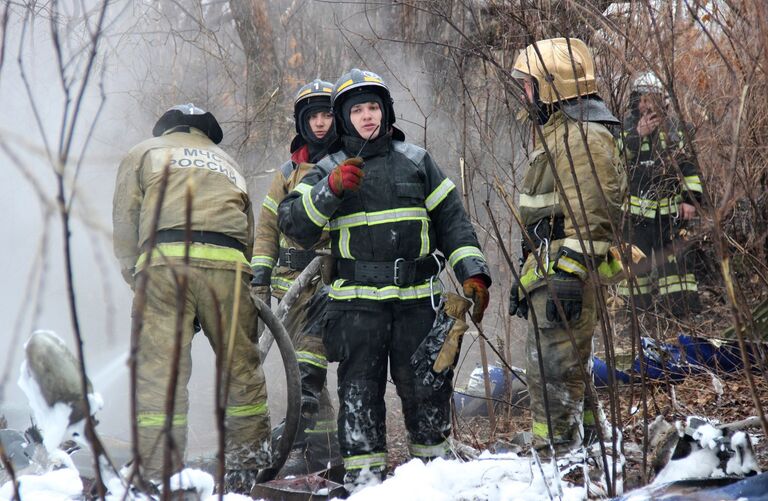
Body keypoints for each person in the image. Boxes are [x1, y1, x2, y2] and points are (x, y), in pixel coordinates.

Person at [277, 69, 491, 492]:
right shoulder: (327, 168)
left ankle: (435, 481)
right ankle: (365, 485)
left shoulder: (416, 160)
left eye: (374, 106)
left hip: (419, 303)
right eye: (357, 109)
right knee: (359, 397)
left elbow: (453, 222)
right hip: (357, 308)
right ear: (343, 118)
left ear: (386, 111)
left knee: (426, 394)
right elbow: (292, 224)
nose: (368, 116)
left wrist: (474, 274)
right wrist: (330, 191)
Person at [112, 104, 270, 491]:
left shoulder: (144, 152)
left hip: (165, 264)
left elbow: (125, 218)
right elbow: (246, 232)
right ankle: (246, 470)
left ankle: (158, 471)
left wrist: (137, 276)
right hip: (229, 267)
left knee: (160, 373)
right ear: (206, 133)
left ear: (167, 128)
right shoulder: (229, 162)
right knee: (240, 369)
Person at [508, 37, 625, 476]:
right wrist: (529, 276)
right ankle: (583, 447)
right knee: (555, 367)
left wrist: (568, 274)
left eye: (530, 85)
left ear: (552, 86)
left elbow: (593, 209)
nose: (525, 94)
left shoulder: (582, 136)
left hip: (564, 269)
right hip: (549, 266)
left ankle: (559, 461)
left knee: (554, 370)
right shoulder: (562, 130)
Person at [250, 79, 341, 473]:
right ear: (302, 123)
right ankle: (322, 454)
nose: (320, 123)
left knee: (308, 368)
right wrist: (260, 281)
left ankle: (299, 448)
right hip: (291, 285)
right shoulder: (286, 172)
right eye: (313, 117)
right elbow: (267, 228)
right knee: (309, 380)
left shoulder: (345, 164)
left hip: (329, 283)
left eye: (326, 115)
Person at [616, 71, 703, 318]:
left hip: (669, 215)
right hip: (636, 218)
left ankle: (681, 316)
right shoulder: (625, 128)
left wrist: (690, 200)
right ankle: (634, 320)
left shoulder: (676, 129)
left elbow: (689, 166)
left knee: (675, 268)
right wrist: (637, 135)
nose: (646, 105)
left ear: (662, 100)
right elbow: (614, 160)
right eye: (642, 99)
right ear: (635, 101)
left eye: (651, 99)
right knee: (633, 267)